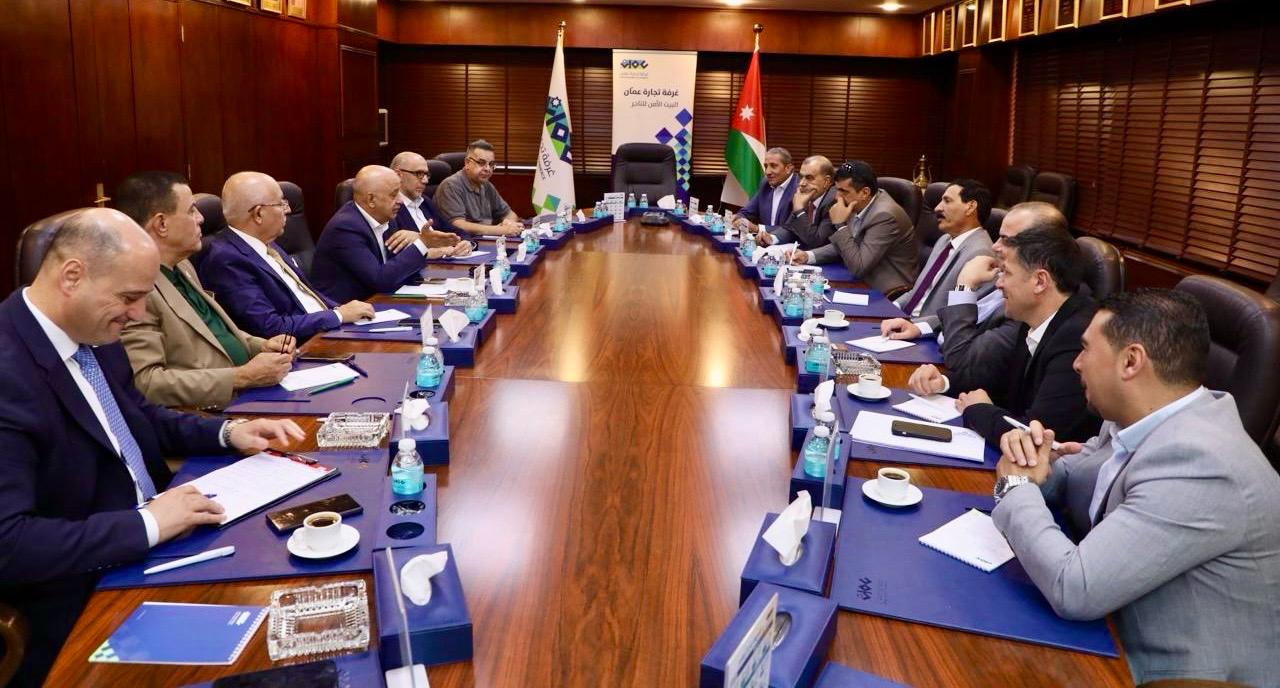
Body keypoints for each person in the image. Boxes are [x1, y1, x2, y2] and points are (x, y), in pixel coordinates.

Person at [0, 208, 305, 687]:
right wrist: (148, 524)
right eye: (130, 298)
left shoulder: (93, 331)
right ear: (72, 276)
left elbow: (139, 417)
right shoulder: (8, 371)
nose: (139, 315)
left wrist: (228, 433)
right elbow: (10, 544)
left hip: (169, 532)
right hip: (84, 592)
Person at [992, 290, 1280, 685]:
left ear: (1131, 361)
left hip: (1161, 672)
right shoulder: (1140, 417)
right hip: (1109, 628)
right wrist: (1036, 461)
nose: (1076, 363)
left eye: (1085, 349)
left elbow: (1073, 589)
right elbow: (1078, 477)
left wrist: (1015, 486)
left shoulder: (1201, 462)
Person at [112, 171, 295, 409]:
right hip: (210, 413)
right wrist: (241, 377)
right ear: (162, 224)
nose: (201, 218)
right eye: (191, 211)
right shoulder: (137, 291)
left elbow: (212, 334)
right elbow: (147, 383)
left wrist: (261, 346)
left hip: (249, 393)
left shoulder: (183, 265)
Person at [907, 226, 1101, 446]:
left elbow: (1034, 435)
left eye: (1006, 273)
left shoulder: (1078, 338)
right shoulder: (1033, 317)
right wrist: (943, 382)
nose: (999, 283)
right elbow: (996, 377)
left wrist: (978, 410)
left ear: (1040, 281)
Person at [881, 202, 1068, 376]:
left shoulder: (1026, 305)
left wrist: (964, 286)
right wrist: (920, 327)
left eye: (1006, 239)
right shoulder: (1000, 273)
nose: (995, 246)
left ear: (1038, 247)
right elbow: (974, 313)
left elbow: (960, 359)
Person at [198, 171, 374, 342]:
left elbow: (308, 295)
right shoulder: (226, 261)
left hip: (327, 331)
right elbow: (270, 327)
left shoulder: (266, 243)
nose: (288, 209)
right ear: (258, 214)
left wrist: (341, 309)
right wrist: (338, 315)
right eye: (281, 203)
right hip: (303, 347)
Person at [311, 165, 467, 303]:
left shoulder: (387, 218)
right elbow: (380, 279)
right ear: (371, 199)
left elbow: (398, 267)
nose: (400, 200)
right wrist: (422, 243)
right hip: (347, 312)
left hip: (381, 300)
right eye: (394, 195)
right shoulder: (346, 228)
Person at [788, 160, 918, 296]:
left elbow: (859, 267)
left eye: (843, 191)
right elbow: (847, 244)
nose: (837, 197)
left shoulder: (884, 216)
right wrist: (808, 256)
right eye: (837, 189)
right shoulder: (857, 202)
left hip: (886, 291)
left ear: (865, 192)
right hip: (859, 278)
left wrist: (840, 225)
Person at [891, 179, 994, 321]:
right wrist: (890, 308)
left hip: (926, 329)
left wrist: (913, 326)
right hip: (903, 319)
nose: (937, 208)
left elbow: (960, 315)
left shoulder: (981, 254)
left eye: (947, 201)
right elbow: (918, 292)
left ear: (970, 207)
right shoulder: (944, 240)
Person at [434, 139, 524, 237]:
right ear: (467, 163)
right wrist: (500, 230)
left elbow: (509, 213)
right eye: (481, 163)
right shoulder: (450, 186)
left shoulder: (486, 185)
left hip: (485, 240)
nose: (488, 169)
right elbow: (459, 225)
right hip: (463, 242)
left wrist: (509, 224)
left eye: (491, 164)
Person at [754, 155, 837, 252]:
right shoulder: (809, 195)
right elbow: (790, 228)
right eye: (801, 177)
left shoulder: (833, 200)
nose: (802, 183)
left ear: (826, 181)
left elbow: (816, 241)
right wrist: (772, 238)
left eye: (809, 178)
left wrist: (799, 211)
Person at [389, 150, 465, 246]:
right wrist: (422, 238)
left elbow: (455, 231)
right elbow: (396, 248)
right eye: (419, 174)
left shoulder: (426, 201)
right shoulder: (390, 208)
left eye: (426, 175)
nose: (425, 181)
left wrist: (468, 243)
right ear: (398, 174)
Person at [733, 147, 797, 233]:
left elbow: (792, 228)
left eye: (773, 166)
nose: (767, 172)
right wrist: (738, 218)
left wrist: (757, 228)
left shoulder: (798, 189)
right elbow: (746, 212)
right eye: (766, 166)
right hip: (763, 240)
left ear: (788, 168)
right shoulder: (765, 184)